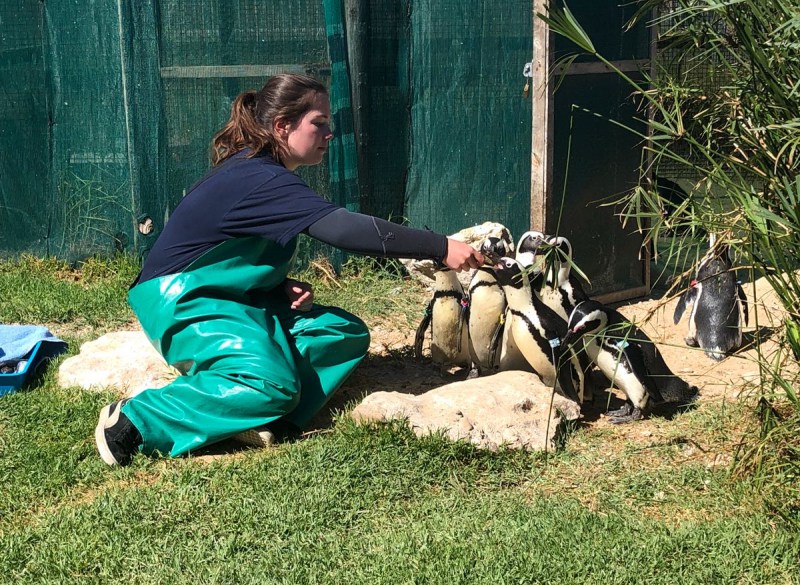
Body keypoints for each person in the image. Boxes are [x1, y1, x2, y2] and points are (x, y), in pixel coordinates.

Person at [95, 73, 484, 466]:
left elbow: (223, 254)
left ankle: (263, 418)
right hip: (182, 301)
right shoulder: (258, 177)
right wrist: (439, 247)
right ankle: (134, 420)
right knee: (269, 384)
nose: (329, 133)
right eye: (319, 122)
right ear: (283, 126)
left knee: (339, 334)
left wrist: (273, 288)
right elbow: (344, 229)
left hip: (223, 297)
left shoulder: (261, 172)